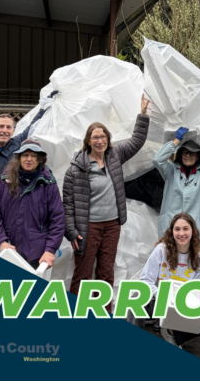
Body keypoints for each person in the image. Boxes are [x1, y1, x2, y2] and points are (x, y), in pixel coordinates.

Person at [63, 96, 151, 297]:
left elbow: (137, 141)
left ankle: (102, 316)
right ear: (88, 141)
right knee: (83, 275)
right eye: (95, 137)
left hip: (112, 225)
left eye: (103, 136)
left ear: (108, 139)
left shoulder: (114, 157)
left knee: (105, 274)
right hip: (88, 227)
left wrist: (143, 115)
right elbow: (67, 203)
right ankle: (76, 318)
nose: (100, 140)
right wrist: (71, 231)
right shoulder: (76, 169)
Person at [0, 139, 65, 269]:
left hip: (36, 255)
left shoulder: (48, 183)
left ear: (40, 160)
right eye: (25, 155)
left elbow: (57, 219)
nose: (29, 159)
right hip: (9, 251)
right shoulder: (5, 181)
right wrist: (1, 241)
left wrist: (50, 249)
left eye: (34, 156)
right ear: (19, 158)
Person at [135, 213, 200, 347]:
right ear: (171, 231)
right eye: (177, 229)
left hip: (181, 304)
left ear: (193, 231)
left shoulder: (199, 259)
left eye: (185, 228)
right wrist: (161, 295)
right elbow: (145, 280)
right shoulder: (161, 250)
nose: (181, 233)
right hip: (159, 301)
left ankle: (171, 333)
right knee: (135, 298)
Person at [153, 128, 200, 248]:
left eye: (192, 152)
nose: (188, 155)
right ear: (180, 155)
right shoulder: (170, 171)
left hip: (194, 232)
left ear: (198, 155)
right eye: (185, 152)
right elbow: (157, 160)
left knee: (190, 265)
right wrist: (175, 142)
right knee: (168, 264)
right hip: (169, 229)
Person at [0, 94, 51, 172]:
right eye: (1, 126)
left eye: (8, 127)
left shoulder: (16, 143)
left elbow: (33, 126)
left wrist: (43, 109)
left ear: (13, 131)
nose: (4, 130)